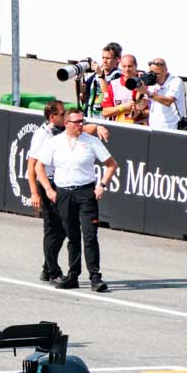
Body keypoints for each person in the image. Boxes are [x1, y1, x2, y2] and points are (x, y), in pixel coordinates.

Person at [33, 108, 119, 292]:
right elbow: (39, 166)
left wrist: (102, 185)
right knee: (72, 236)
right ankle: (73, 275)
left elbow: (112, 164)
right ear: (67, 124)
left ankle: (95, 277)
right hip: (64, 192)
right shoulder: (55, 142)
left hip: (86, 192)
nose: (80, 125)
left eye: (82, 121)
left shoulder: (91, 141)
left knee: (90, 235)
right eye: (77, 122)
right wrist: (48, 189)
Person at [27, 101, 68, 280]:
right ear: (52, 117)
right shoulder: (41, 135)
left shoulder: (61, 131)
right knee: (52, 229)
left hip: (61, 182)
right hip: (47, 184)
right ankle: (53, 271)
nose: (65, 116)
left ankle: (47, 266)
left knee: (63, 229)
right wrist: (34, 192)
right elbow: (31, 165)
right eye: (62, 114)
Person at [101, 54, 144, 124]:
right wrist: (123, 107)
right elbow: (105, 112)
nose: (127, 69)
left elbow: (153, 111)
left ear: (136, 66)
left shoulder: (144, 84)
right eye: (124, 66)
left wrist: (139, 113)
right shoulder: (113, 85)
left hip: (141, 129)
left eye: (130, 66)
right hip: (119, 128)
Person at [144, 57, 185, 131]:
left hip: (172, 128)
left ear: (165, 71)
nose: (154, 77)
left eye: (157, 74)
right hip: (153, 128)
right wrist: (140, 88)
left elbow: (168, 101)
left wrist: (148, 93)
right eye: (152, 73)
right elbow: (140, 106)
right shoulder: (151, 83)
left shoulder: (176, 81)